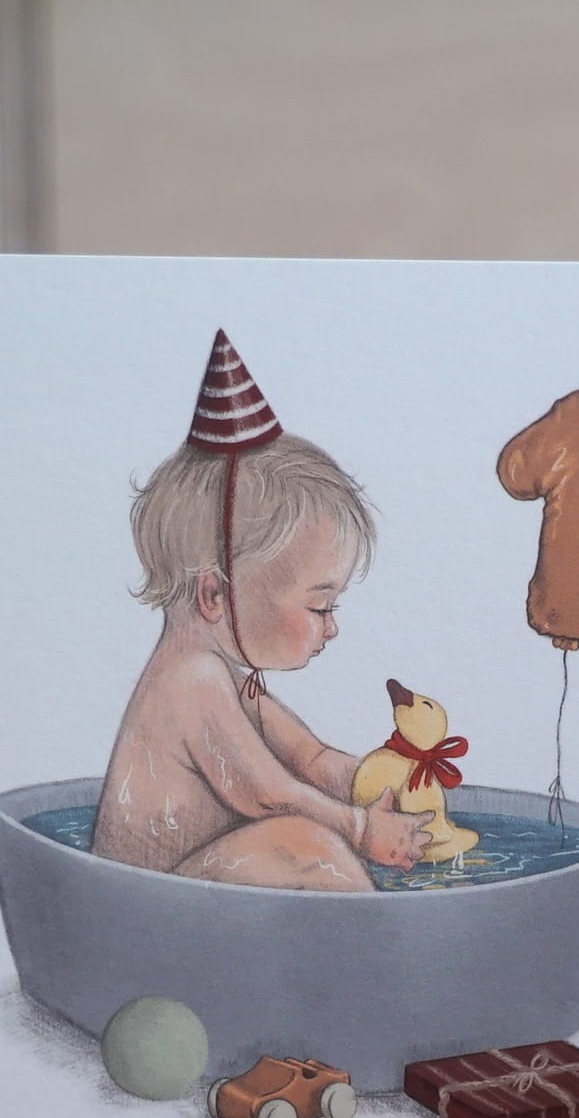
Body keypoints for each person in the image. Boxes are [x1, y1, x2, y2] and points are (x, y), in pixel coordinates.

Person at [91, 331, 434, 890]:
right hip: (146, 897)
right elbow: (268, 794)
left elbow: (310, 758)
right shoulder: (192, 680)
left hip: (192, 885)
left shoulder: (228, 676)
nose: (331, 627)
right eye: (319, 605)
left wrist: (381, 782)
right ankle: (380, 937)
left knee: (307, 837)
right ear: (214, 596)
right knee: (306, 848)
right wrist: (359, 827)